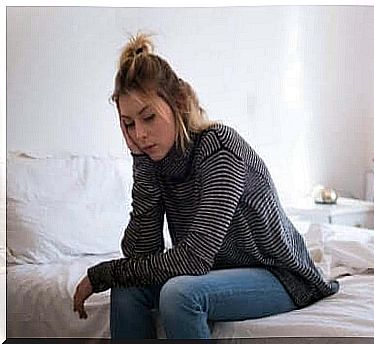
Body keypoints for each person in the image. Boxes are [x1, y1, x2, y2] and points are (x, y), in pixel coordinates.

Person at [72, 32, 339, 339]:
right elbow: (141, 254)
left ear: (179, 103)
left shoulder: (219, 147)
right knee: (126, 289)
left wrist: (102, 274)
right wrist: (141, 162)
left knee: (179, 294)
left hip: (280, 275)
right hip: (218, 273)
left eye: (148, 118)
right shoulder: (155, 161)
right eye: (129, 124)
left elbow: (193, 258)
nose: (140, 134)